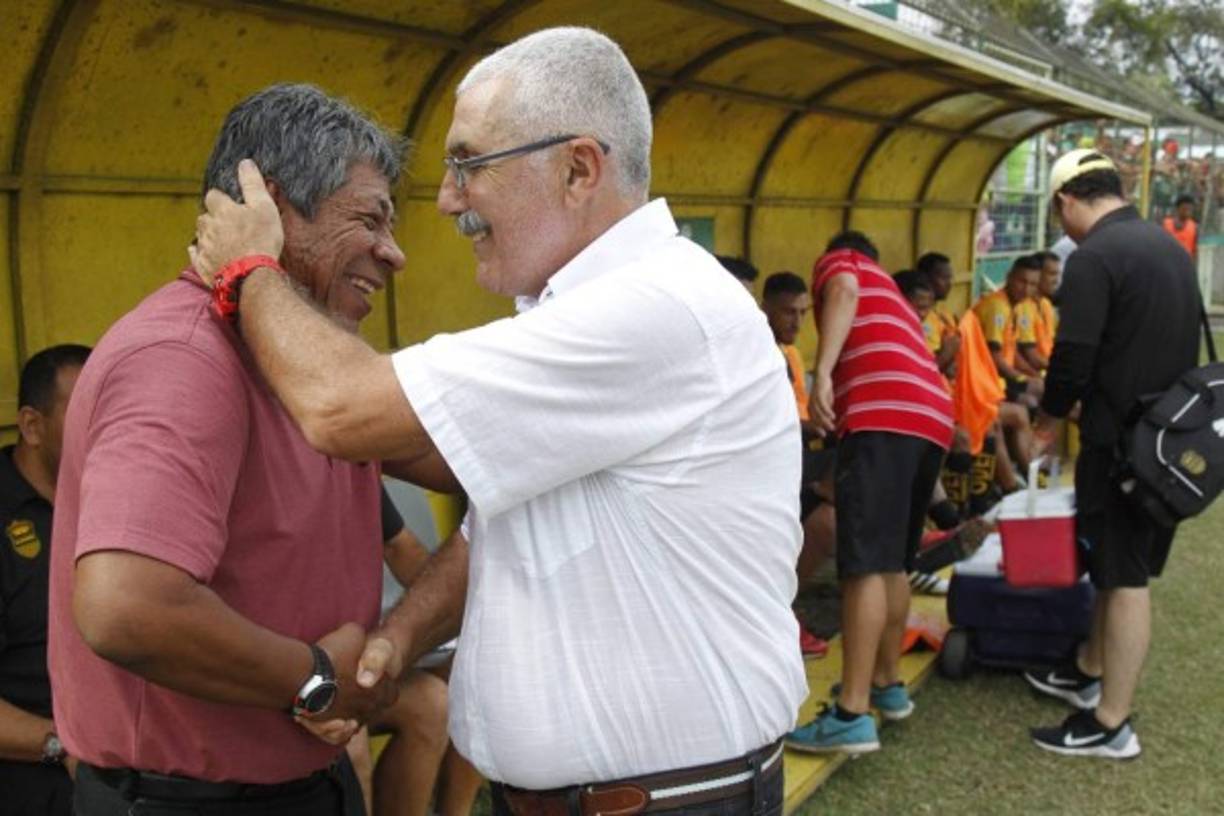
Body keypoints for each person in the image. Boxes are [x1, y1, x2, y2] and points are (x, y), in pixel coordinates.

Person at [192, 27, 804, 816]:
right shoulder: (599, 311)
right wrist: (402, 635)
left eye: (469, 163)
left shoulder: (652, 310)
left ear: (579, 168)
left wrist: (250, 268)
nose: (448, 198)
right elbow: (505, 521)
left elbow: (342, 410)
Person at [48, 84, 404, 815]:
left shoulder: (307, 360)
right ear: (266, 206)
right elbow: (126, 607)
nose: (393, 253)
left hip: (297, 784)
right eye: (368, 219)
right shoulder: (183, 358)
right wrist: (311, 677)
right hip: (187, 802)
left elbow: (464, 452)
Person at [1026, 149, 1200, 759]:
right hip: (1165, 441)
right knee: (1113, 564)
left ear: (1066, 201)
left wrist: (1047, 420)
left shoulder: (1096, 256)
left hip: (1126, 444)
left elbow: (1073, 357)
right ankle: (1088, 666)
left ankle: (1110, 723)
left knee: (1124, 578)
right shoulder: (1166, 248)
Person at [785, 231, 953, 755]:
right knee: (891, 564)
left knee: (862, 565)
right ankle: (886, 684)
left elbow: (843, 291)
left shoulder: (845, 259)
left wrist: (826, 375)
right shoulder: (898, 301)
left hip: (883, 416)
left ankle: (850, 712)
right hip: (931, 419)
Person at [0, 344, 90, 816]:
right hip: (34, 783)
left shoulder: (121, 498)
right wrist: (63, 746)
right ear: (32, 426)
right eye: (85, 414)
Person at [914, 252, 961, 379]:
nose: (949, 283)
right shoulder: (921, 317)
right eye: (944, 278)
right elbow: (935, 367)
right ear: (925, 277)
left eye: (950, 278)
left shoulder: (944, 313)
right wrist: (950, 351)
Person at [1162, 194, 1198, 261]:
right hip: (1168, 262)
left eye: (1190, 209)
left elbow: (1194, 252)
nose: (1188, 211)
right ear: (1178, 208)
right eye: (1185, 209)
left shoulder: (1194, 227)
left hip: (1185, 264)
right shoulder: (1165, 223)